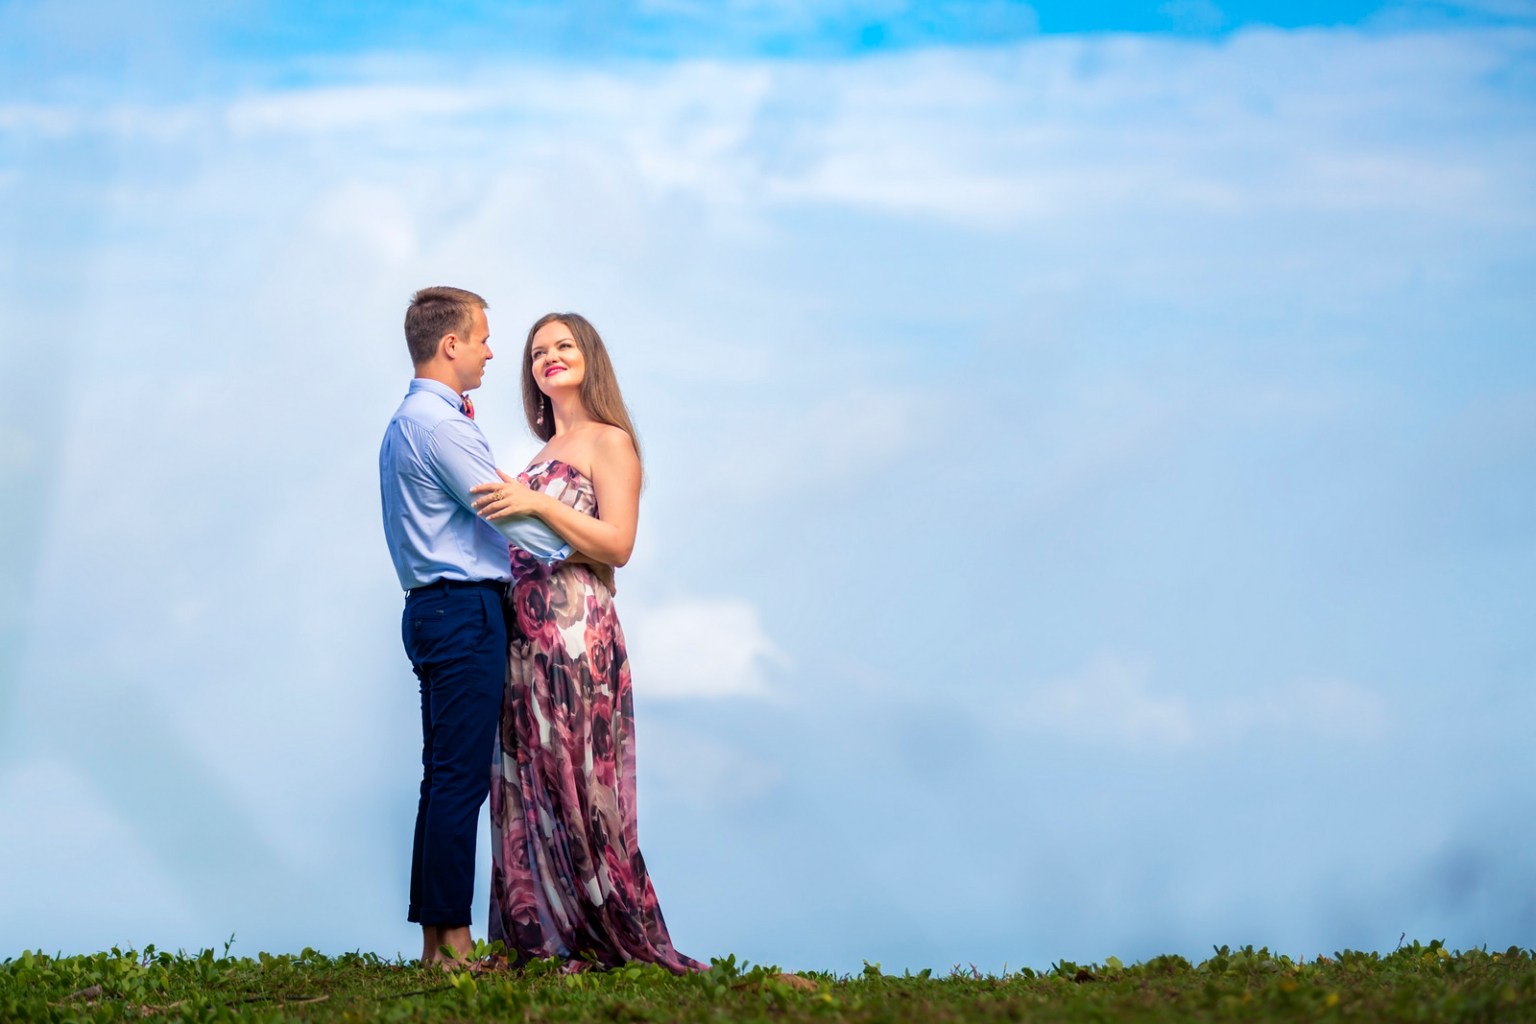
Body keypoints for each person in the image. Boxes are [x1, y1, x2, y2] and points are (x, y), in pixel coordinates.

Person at [470, 313, 704, 973]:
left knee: (582, 784)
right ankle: (539, 937)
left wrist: (538, 506)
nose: (549, 357)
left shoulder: (609, 442)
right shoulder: (538, 455)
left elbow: (618, 545)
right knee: (530, 780)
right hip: (525, 642)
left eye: (563, 345)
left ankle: (605, 931)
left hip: (578, 636)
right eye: (538, 351)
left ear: (588, 356)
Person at [379, 287, 579, 965]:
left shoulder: (413, 421)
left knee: (445, 775)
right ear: (451, 344)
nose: (495, 350)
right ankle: (455, 940)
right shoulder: (439, 425)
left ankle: (439, 939)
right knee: (460, 777)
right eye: (485, 337)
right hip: (463, 608)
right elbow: (504, 509)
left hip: (437, 607)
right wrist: (578, 546)